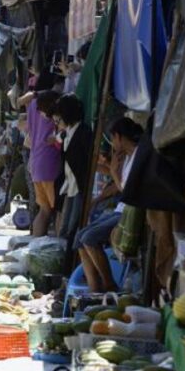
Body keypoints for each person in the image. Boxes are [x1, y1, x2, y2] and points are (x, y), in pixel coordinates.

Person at [74, 117, 142, 292]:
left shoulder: (138, 156)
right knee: (79, 239)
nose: (112, 143)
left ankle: (109, 285)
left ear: (119, 137)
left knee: (89, 239)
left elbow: (128, 192)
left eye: (112, 138)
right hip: (120, 209)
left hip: (128, 213)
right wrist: (112, 170)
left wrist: (113, 172)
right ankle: (94, 289)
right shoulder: (126, 157)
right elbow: (118, 186)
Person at [20, 86, 61, 237]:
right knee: (58, 210)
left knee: (44, 210)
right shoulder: (52, 115)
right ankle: (57, 247)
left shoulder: (32, 106)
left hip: (35, 163)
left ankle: (37, 244)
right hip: (49, 164)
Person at [53, 93, 92, 238]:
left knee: (73, 228)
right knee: (65, 228)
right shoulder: (67, 133)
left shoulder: (84, 133)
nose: (57, 121)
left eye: (59, 116)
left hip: (80, 186)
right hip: (69, 186)